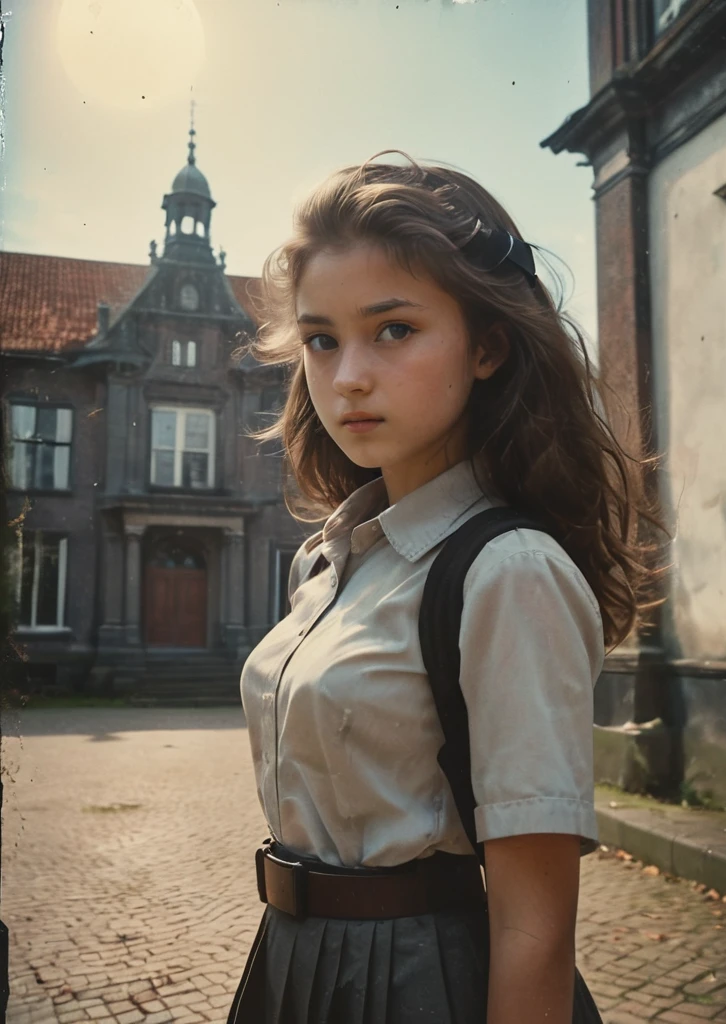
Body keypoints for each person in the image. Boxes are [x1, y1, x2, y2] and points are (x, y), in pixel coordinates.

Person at [227, 152, 668, 1024]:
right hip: (287, 970)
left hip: (420, 985)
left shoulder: (509, 571)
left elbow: (536, 934)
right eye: (322, 339)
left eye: (392, 329)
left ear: (488, 345)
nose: (347, 374)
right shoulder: (327, 560)